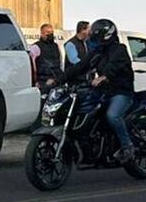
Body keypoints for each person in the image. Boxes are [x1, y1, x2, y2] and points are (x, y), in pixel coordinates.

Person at [51, 19, 137, 163]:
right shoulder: (98, 51)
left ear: (106, 36)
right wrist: (58, 80)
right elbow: (81, 66)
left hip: (121, 92)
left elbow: (114, 66)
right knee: (86, 110)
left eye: (97, 37)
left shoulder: (120, 49)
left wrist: (104, 76)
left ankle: (127, 146)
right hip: (103, 92)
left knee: (112, 116)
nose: (94, 40)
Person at [32, 23, 64, 94]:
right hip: (43, 83)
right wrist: (35, 82)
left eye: (52, 32)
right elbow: (32, 67)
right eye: (48, 32)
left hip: (57, 81)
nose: (50, 34)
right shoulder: (36, 47)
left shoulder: (56, 46)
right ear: (42, 33)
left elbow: (60, 63)